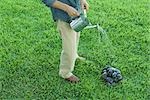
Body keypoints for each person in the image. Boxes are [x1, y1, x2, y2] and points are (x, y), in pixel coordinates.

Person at [42, 0, 89, 83]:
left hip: (76, 10)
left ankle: (74, 56)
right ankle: (65, 72)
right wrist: (67, 8)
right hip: (63, 15)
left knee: (75, 35)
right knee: (69, 46)